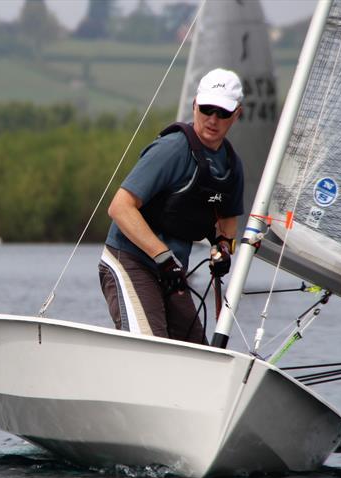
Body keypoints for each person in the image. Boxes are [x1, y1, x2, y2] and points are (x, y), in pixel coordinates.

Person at [98, 68, 245, 344]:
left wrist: (224, 249)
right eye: (206, 109)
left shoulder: (232, 167)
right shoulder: (173, 149)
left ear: (237, 114)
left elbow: (228, 225)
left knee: (197, 353)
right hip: (130, 260)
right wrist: (163, 257)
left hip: (173, 272)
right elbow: (120, 208)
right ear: (194, 105)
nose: (212, 119)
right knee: (152, 346)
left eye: (222, 113)